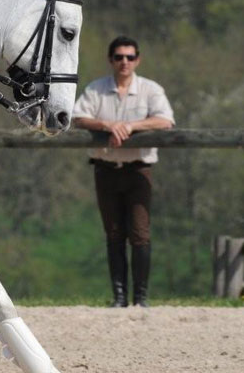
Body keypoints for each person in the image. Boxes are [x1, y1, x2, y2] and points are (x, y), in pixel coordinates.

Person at [72, 36, 174, 308]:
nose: (124, 62)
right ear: (111, 60)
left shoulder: (150, 90)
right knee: (114, 233)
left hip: (138, 170)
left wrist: (131, 126)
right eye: (119, 57)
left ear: (137, 60)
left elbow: (165, 120)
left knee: (140, 233)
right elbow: (77, 117)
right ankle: (119, 297)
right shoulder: (96, 90)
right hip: (105, 170)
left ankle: (140, 298)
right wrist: (107, 125)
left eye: (130, 57)